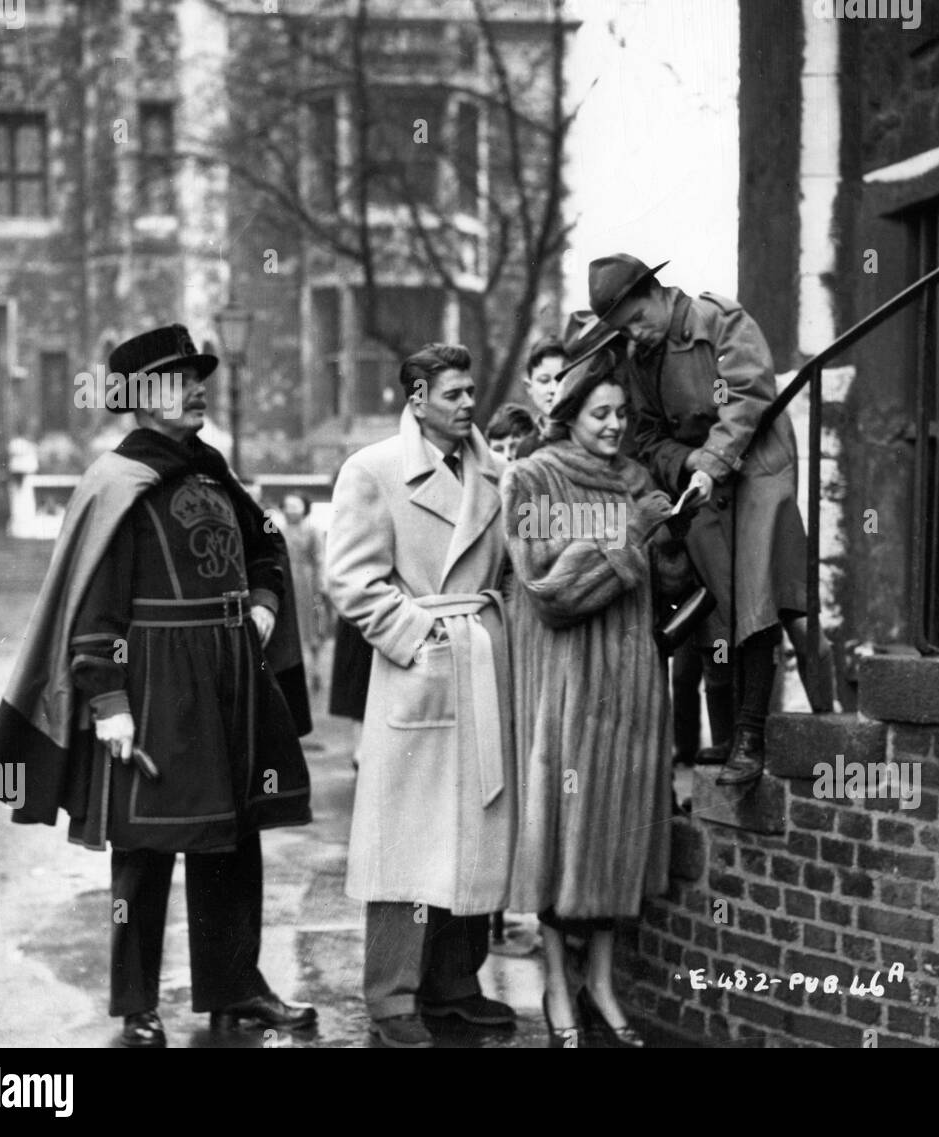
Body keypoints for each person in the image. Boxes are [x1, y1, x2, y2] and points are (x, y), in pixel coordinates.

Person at [0, 324, 317, 1048]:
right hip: (155, 684)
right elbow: (93, 606)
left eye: (198, 376)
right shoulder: (116, 481)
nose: (197, 388)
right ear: (135, 398)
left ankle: (236, 991)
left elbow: (264, 545)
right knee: (146, 850)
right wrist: (108, 704)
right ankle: (137, 1005)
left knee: (233, 841)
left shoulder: (211, 467)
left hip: (229, 679)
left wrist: (260, 601)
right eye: (175, 379)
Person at [325, 342, 517, 1049]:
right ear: (416, 398)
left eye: (472, 391)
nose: (469, 403)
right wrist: (416, 636)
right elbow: (348, 579)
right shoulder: (374, 470)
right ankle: (392, 993)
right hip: (421, 668)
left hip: (481, 663)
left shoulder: (493, 470)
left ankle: (455, 984)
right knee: (407, 839)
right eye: (454, 393)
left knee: (474, 832)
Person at [590, 253, 838, 786]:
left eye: (635, 318)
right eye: (622, 329)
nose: (634, 334)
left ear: (654, 292)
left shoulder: (719, 320)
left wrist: (711, 462)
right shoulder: (641, 358)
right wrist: (687, 467)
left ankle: (752, 735)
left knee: (758, 590)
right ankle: (726, 736)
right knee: (716, 605)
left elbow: (749, 396)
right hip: (702, 486)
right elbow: (649, 437)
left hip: (755, 469)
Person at [501, 346, 689, 1048]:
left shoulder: (635, 478)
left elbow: (658, 585)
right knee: (559, 842)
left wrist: (672, 537)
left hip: (632, 696)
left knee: (614, 842)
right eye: (599, 413)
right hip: (565, 692)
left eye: (621, 413)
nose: (614, 425)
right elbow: (549, 590)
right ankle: (556, 982)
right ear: (568, 414)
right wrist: (630, 533)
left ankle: (602, 982)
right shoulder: (531, 477)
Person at [276, 490, 331, 692]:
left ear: (305, 508)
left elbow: (319, 560)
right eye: (287, 506)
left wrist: (321, 585)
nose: (291, 511)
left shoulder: (313, 531)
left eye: (296, 506)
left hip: (307, 585)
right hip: (285, 582)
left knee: (313, 629)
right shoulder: (276, 530)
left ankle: (315, 671)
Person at [513, 335, 567, 458]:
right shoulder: (525, 449)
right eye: (544, 380)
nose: (553, 389)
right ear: (529, 387)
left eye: (560, 380)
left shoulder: (583, 436)